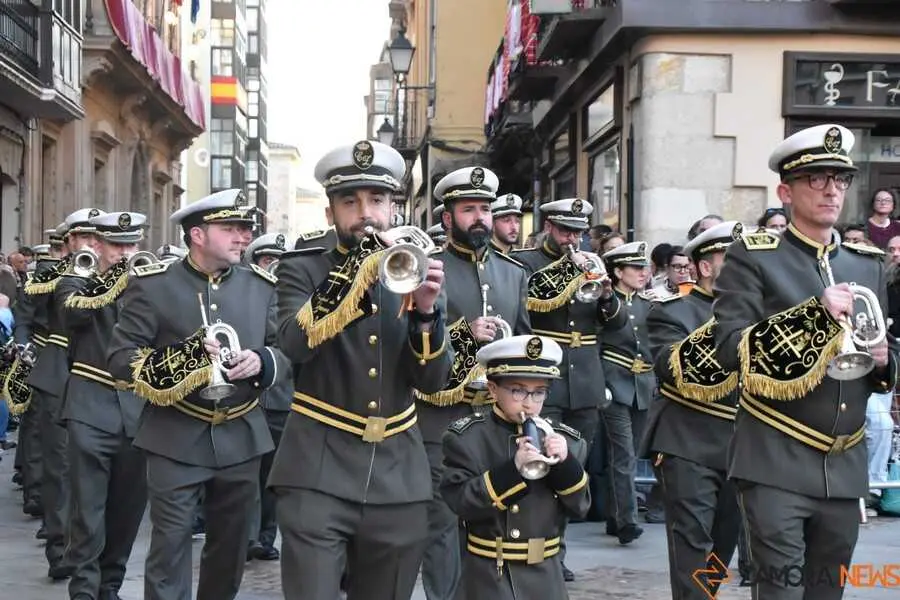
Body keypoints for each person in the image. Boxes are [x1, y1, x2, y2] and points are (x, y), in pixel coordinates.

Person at [714, 123, 898, 599]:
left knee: (825, 593)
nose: (832, 190)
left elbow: (880, 351)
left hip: (844, 463)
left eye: (840, 179)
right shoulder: (754, 257)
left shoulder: (866, 262)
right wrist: (814, 315)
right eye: (817, 178)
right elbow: (730, 348)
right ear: (786, 191)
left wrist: (883, 360)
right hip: (774, 457)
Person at [268, 140, 453, 600]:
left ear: (393, 209)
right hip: (316, 469)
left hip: (397, 474)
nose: (365, 213)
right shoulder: (302, 268)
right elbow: (293, 344)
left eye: (377, 200)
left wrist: (425, 315)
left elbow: (433, 381)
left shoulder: (417, 268)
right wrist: (356, 272)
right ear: (330, 213)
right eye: (350, 202)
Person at [107, 189, 288, 600]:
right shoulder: (153, 286)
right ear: (197, 235)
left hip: (242, 435)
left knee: (230, 550)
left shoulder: (261, 286)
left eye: (246, 228)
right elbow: (120, 358)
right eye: (231, 228)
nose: (244, 236)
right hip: (174, 434)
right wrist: (185, 358)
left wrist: (262, 361)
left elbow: (284, 350)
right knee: (169, 549)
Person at [416, 166, 531, 600]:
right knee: (442, 524)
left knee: (493, 517)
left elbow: (525, 345)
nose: (480, 218)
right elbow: (414, 344)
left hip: (494, 420)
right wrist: (465, 335)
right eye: (469, 210)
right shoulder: (430, 268)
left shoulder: (513, 272)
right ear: (448, 218)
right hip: (439, 418)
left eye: (485, 209)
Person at [513, 198, 621, 579]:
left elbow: (616, 326)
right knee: (540, 467)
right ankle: (536, 547)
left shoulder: (592, 262)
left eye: (578, 233)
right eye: (564, 231)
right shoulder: (527, 263)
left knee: (572, 469)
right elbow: (527, 306)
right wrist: (568, 270)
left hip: (586, 383)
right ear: (548, 227)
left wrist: (607, 295)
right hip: (547, 381)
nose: (571, 239)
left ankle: (558, 551)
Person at [440, 335, 590, 600]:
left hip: (547, 578)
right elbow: (460, 502)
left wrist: (565, 464)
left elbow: (580, 507)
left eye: (539, 392)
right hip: (489, 578)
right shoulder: (468, 437)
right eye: (518, 390)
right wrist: (512, 470)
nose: (529, 402)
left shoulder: (566, 440)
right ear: (493, 389)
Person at [641, 220, 744, 599]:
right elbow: (671, 369)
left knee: (722, 546)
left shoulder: (755, 313)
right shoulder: (672, 312)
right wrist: (730, 318)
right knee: (693, 545)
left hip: (740, 446)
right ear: (704, 267)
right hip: (688, 443)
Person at [57, 211, 149, 600]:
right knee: (87, 508)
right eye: (116, 245)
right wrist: (118, 277)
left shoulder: (152, 283)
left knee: (127, 509)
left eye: (131, 245)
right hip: (90, 405)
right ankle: (83, 588)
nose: (125, 253)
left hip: (138, 410)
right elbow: (72, 313)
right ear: (98, 244)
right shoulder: (76, 279)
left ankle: (110, 584)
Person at [26, 210, 103, 579]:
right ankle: (61, 548)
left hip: (99, 376)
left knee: (94, 470)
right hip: (58, 370)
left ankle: (92, 550)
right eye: (85, 238)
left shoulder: (124, 275)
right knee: (59, 466)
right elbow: (30, 315)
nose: (92, 245)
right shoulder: (51, 275)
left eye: (97, 238)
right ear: (70, 241)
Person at [597, 241, 656, 544]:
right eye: (636, 268)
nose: (643, 272)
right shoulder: (606, 302)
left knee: (629, 453)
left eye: (645, 267)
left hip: (643, 385)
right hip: (614, 383)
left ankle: (614, 514)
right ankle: (627, 521)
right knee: (624, 453)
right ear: (618, 272)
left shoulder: (649, 303)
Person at [242, 232, 291, 561]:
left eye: (279, 261)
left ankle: (265, 536)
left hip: (283, 400)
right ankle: (247, 538)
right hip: (251, 399)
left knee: (273, 475)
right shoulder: (248, 294)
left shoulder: (295, 296)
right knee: (248, 474)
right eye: (267, 260)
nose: (274, 266)